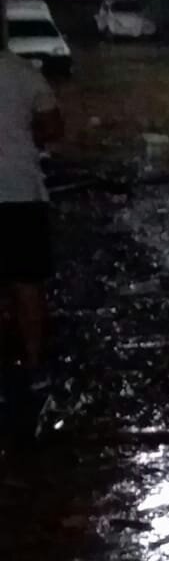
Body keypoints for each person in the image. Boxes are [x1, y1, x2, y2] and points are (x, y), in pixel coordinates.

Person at [0, 48, 62, 435]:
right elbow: (53, 126)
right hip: (21, 191)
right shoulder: (23, 73)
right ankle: (35, 363)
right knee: (27, 284)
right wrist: (23, 135)